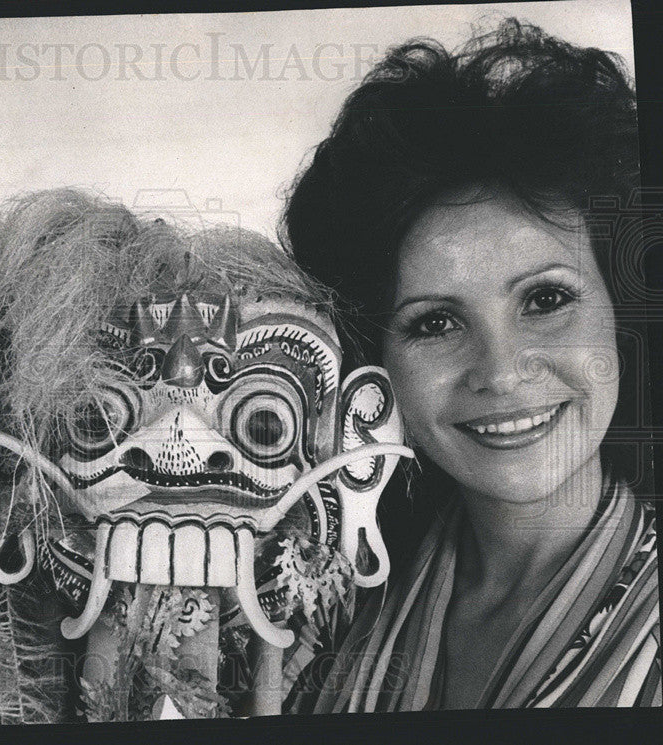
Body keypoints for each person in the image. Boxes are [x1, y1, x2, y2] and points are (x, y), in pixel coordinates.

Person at [282, 19, 658, 710]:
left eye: (546, 298)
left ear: (625, 312)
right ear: (376, 366)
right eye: (436, 322)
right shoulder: (322, 610)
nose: (502, 369)